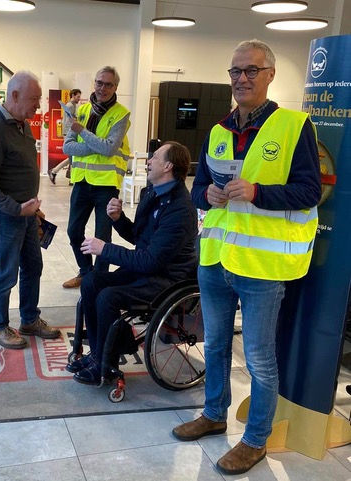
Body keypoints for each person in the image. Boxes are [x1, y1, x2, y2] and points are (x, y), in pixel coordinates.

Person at [173, 39, 321, 475]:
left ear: (270, 74)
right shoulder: (218, 131)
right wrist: (207, 194)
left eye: (251, 70)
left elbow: (309, 192)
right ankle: (213, 414)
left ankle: (255, 440)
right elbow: (197, 188)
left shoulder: (294, 126)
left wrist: (258, 192)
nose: (242, 78)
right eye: (235, 71)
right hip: (216, 261)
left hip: (261, 268)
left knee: (258, 359)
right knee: (215, 346)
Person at [66, 141, 198, 385]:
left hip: (167, 279)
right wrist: (118, 219)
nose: (149, 161)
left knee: (108, 297)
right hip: (148, 269)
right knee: (92, 281)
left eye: (155, 157)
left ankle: (105, 364)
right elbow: (140, 238)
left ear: (168, 166)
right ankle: (98, 354)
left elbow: (150, 260)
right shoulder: (152, 192)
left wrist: (106, 249)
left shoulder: (180, 208)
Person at [0, 70, 61, 350]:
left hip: (26, 214)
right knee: (5, 272)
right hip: (4, 215)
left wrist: (31, 207)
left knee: (33, 266)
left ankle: (30, 319)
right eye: (34, 99)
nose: (38, 105)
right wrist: (15, 208)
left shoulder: (23, 124)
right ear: (14, 95)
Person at [62, 66, 131, 289]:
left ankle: (99, 281)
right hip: (82, 181)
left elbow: (110, 149)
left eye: (108, 84)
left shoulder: (121, 114)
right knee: (74, 230)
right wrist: (98, 145)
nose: (103, 88)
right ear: (94, 83)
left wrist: (82, 132)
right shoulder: (82, 110)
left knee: (102, 238)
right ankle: (85, 271)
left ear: (115, 87)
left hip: (106, 184)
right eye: (99, 83)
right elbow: (67, 147)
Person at [48, 88, 81, 184]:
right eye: (78, 96)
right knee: (72, 155)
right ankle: (71, 178)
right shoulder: (70, 105)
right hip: (69, 133)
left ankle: (54, 171)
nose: (79, 98)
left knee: (72, 155)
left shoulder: (71, 105)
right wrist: (72, 130)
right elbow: (68, 121)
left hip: (68, 132)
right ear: (73, 95)